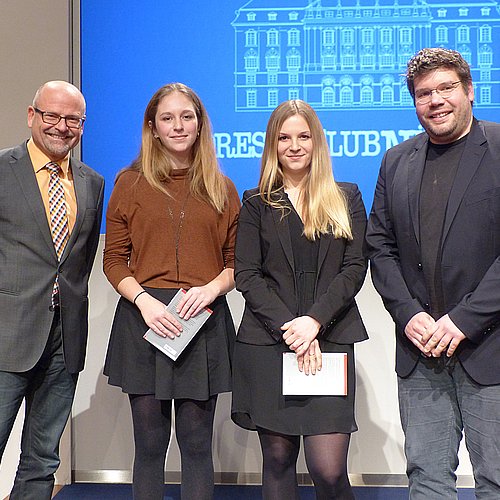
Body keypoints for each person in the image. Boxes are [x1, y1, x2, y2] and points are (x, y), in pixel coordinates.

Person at [366, 47, 500, 499]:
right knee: (426, 479)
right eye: (425, 93)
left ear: (469, 92)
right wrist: (408, 315)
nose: (436, 100)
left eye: (446, 89)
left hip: (491, 349)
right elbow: (379, 246)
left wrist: (463, 321)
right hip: (420, 350)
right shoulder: (395, 160)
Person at [103, 82, 240, 500]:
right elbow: (113, 259)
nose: (178, 126)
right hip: (145, 320)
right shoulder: (128, 183)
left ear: (200, 126)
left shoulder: (222, 187)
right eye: (168, 118)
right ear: (153, 127)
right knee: (149, 446)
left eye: (187, 117)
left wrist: (213, 288)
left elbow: (237, 262)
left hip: (202, 320)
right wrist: (143, 300)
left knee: (197, 446)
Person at [232, 99, 368, 499]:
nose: (294, 145)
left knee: (328, 469)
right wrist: (292, 329)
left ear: (317, 142)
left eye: (303, 136)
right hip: (270, 341)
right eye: (284, 137)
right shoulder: (256, 201)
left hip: (330, 336)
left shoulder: (347, 196)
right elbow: (247, 275)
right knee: (276, 460)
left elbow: (354, 268)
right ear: (273, 145)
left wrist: (313, 323)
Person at [0, 81, 104, 499]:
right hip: (8, 336)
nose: (62, 127)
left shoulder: (92, 182)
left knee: (42, 458)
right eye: (52, 116)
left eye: (73, 119)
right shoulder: (3, 170)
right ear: (31, 115)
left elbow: (81, 260)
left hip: (66, 341)